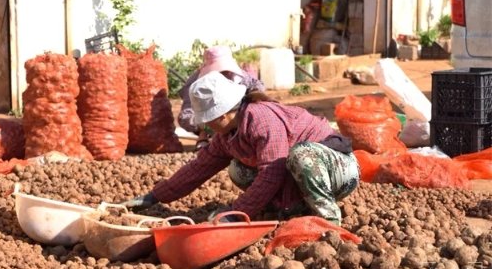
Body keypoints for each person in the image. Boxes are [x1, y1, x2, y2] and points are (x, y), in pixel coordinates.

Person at [122, 71, 360, 225]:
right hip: (300, 170)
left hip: (338, 170)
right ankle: (289, 207)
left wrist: (237, 214)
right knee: (239, 168)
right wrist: (154, 196)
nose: (206, 124)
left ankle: (328, 221)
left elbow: (272, 173)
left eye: (209, 118)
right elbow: (198, 169)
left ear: (226, 113)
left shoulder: (261, 120)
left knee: (300, 156)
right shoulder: (227, 134)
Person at [178, 45, 264, 150]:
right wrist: (207, 122)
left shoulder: (241, 76)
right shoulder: (196, 85)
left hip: (237, 117)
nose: (225, 73)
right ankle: (208, 135)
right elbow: (185, 116)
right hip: (213, 121)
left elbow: (258, 87)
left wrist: (246, 104)